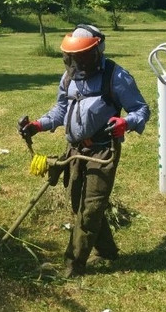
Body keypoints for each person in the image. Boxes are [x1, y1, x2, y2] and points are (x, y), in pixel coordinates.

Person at [19, 24, 150, 278]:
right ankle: (108, 251)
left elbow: (141, 110)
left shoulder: (116, 76)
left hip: (103, 151)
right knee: (81, 204)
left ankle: (73, 266)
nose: (77, 61)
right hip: (75, 151)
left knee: (89, 209)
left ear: (96, 50)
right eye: (73, 56)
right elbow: (61, 111)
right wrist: (37, 125)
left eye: (82, 55)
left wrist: (126, 122)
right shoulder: (69, 76)